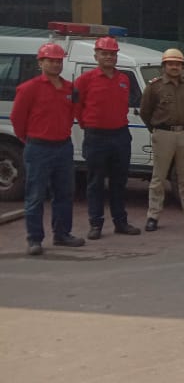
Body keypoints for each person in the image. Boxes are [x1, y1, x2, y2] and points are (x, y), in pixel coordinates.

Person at [12, 43, 82, 255]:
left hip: (62, 147)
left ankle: (61, 234)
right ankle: (35, 239)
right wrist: (30, 140)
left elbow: (72, 114)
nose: (55, 64)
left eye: (58, 61)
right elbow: (18, 119)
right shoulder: (29, 89)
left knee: (64, 193)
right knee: (35, 195)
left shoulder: (70, 89)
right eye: (50, 60)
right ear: (40, 62)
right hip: (38, 148)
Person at [75, 36, 141, 240]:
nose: (109, 57)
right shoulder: (84, 80)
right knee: (95, 182)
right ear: (96, 55)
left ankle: (120, 222)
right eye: (104, 53)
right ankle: (96, 224)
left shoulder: (123, 79)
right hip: (96, 136)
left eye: (112, 54)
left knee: (119, 182)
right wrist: (89, 125)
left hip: (120, 135)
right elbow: (77, 107)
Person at [140, 48, 184, 232]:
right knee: (158, 178)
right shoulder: (154, 86)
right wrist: (157, 130)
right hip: (163, 133)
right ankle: (153, 216)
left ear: (182, 66)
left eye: (178, 64)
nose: (174, 67)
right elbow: (145, 112)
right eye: (171, 64)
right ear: (164, 66)